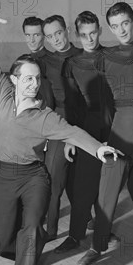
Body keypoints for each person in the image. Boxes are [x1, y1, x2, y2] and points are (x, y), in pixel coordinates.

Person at [0, 3, 121, 265]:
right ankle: (24, 249)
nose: (32, 84)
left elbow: (74, 133)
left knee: (31, 226)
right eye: (26, 78)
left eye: (36, 79)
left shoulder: (45, 116)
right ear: (15, 79)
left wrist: (99, 149)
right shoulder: (3, 93)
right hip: (5, 176)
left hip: (34, 177)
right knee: (1, 236)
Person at [78, 2, 133, 265]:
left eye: (125, 23)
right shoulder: (105, 57)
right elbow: (98, 100)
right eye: (115, 26)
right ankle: (98, 245)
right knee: (107, 191)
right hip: (119, 132)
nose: (121, 30)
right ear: (109, 29)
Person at [54, 11, 115, 253]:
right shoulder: (72, 64)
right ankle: (75, 235)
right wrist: (71, 138)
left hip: (115, 124)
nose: (89, 39)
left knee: (110, 183)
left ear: (100, 30)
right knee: (83, 185)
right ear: (77, 36)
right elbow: (72, 104)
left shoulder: (113, 56)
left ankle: (105, 230)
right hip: (88, 127)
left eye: (93, 33)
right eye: (83, 35)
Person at [40, 15, 84, 240]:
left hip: (85, 125)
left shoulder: (82, 55)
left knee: (84, 181)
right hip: (60, 124)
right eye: (49, 36)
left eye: (58, 33)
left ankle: (89, 222)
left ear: (66, 30)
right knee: (54, 180)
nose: (55, 39)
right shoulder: (46, 63)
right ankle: (51, 230)